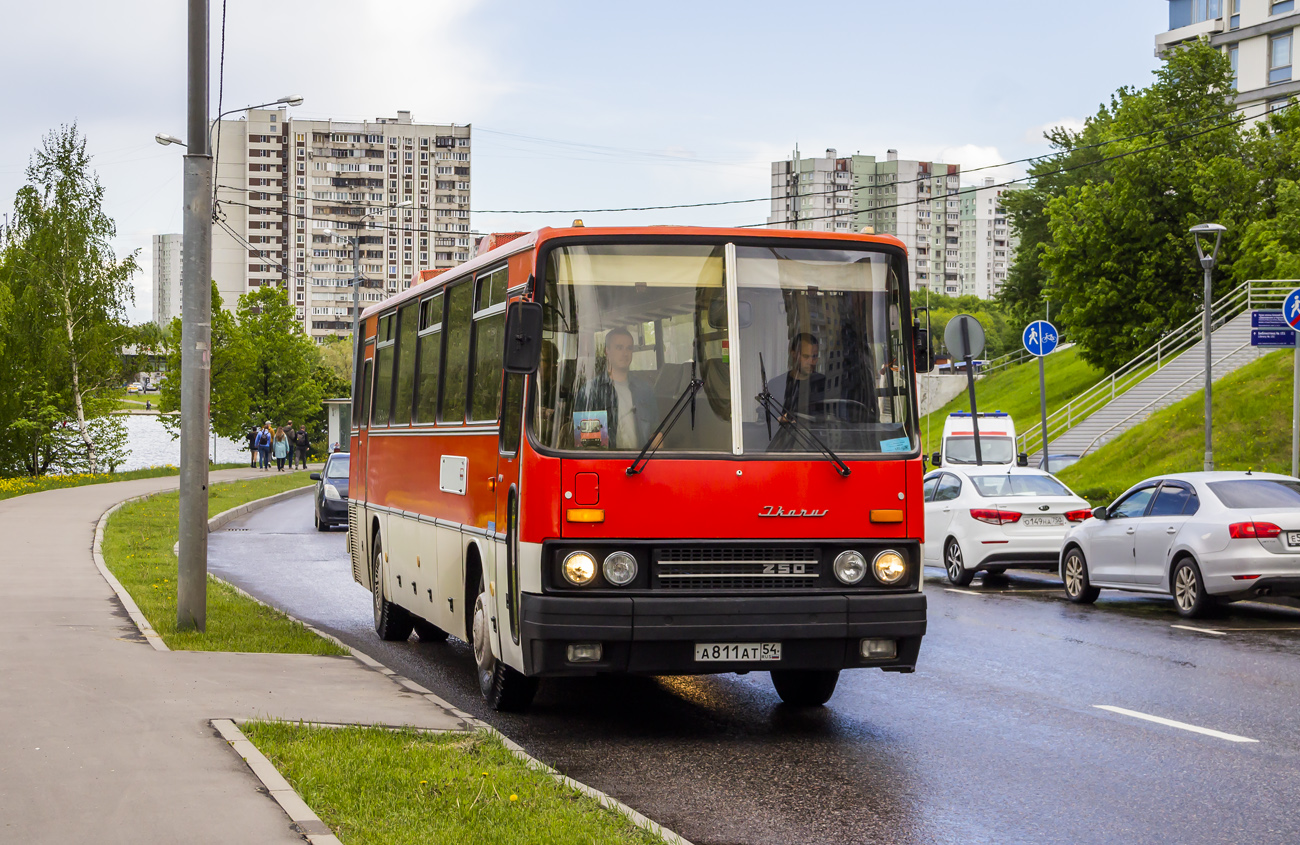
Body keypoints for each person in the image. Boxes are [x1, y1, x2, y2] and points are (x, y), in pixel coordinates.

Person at [573, 327, 659, 450]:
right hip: (607, 465)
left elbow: (655, 432)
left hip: (640, 464)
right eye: (619, 347)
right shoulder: (591, 392)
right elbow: (589, 445)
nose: (625, 353)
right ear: (606, 351)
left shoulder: (644, 390)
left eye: (629, 348)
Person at [765, 332, 827, 420]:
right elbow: (767, 422)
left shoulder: (825, 385)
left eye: (815, 356)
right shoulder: (776, 385)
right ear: (793, 354)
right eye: (806, 356)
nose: (811, 362)